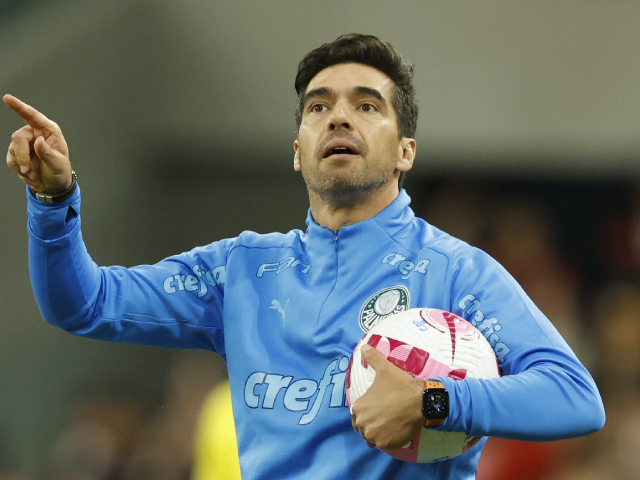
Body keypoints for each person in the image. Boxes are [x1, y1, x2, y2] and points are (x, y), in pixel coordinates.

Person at [4, 33, 605, 479]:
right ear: (298, 151)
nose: (339, 114)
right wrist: (53, 200)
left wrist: (434, 403)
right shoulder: (237, 271)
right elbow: (82, 305)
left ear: (406, 152)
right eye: (319, 106)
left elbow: (575, 398)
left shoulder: (457, 272)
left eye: (367, 105)